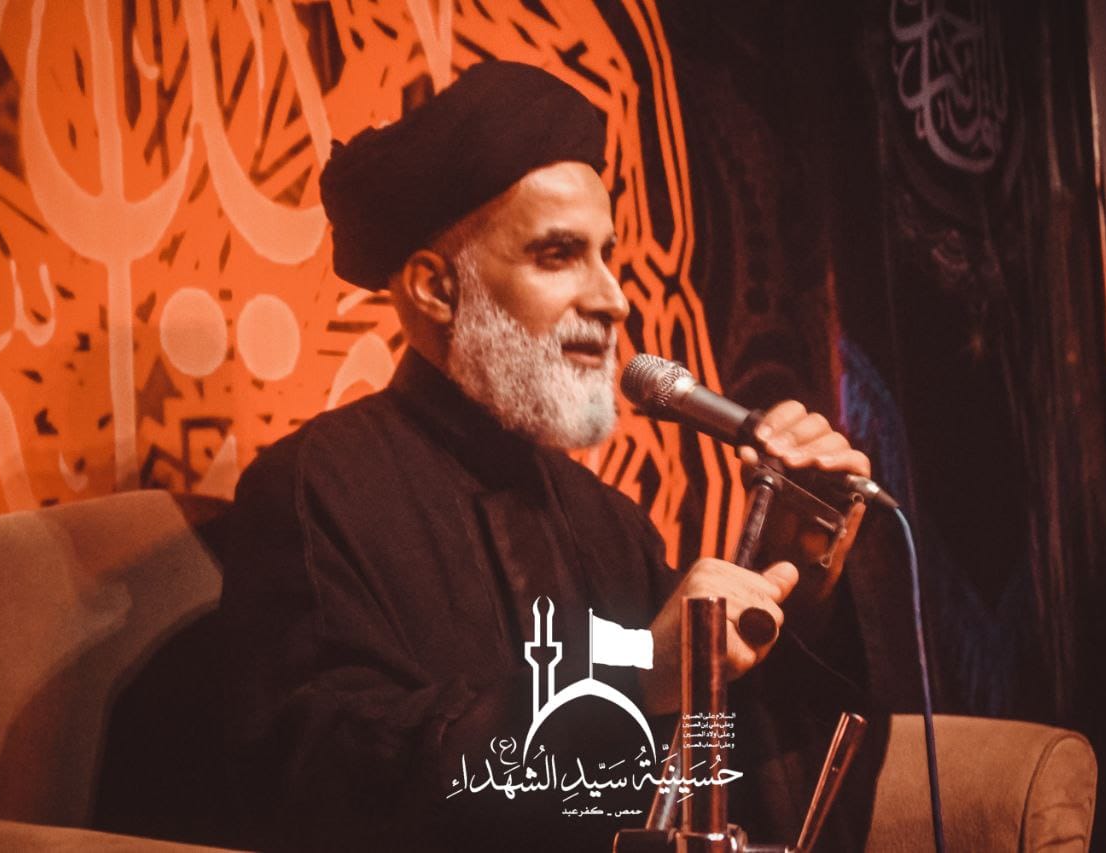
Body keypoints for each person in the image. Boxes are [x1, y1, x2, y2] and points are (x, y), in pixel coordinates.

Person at [220, 60, 876, 852]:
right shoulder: (316, 488)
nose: (613, 298)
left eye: (608, 254)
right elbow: (330, 776)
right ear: (435, 288)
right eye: (559, 254)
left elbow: (726, 769)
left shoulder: (608, 522)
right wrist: (635, 677)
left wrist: (794, 577)